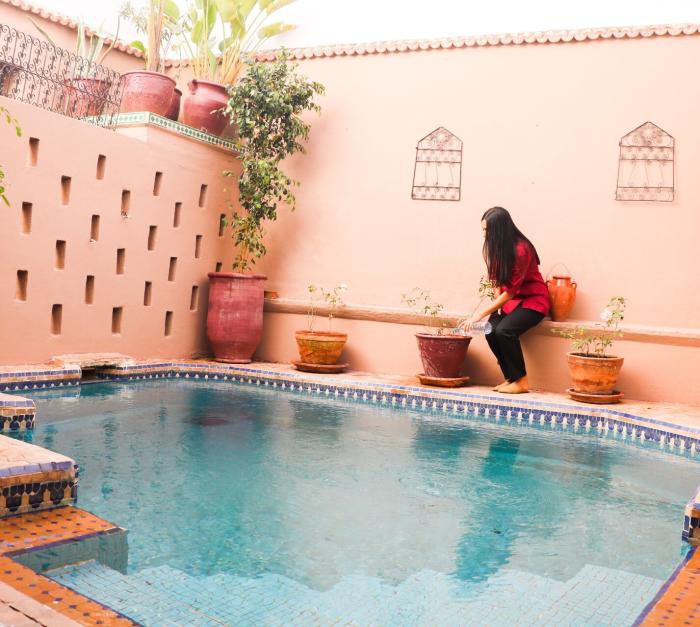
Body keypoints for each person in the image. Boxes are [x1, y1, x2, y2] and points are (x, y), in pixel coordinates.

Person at [459, 207, 549, 393]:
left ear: (498, 230)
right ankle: (511, 378)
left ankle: (521, 381)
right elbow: (496, 282)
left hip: (533, 301)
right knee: (491, 330)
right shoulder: (496, 247)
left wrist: (479, 315)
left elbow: (511, 292)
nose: (484, 234)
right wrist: (496, 309)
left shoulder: (521, 249)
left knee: (504, 331)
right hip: (509, 302)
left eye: (487, 230)